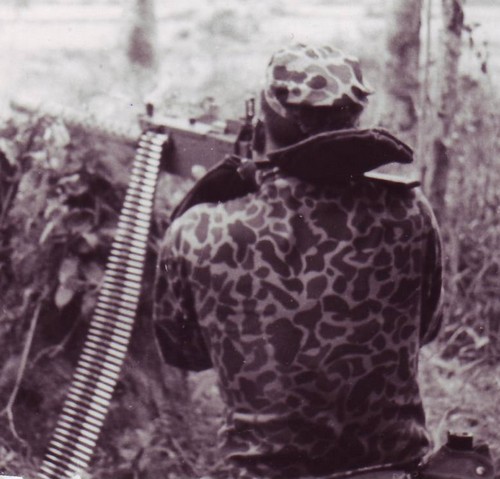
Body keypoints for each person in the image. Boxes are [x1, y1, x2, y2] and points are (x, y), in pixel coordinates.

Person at [153, 43, 443, 479]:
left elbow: (185, 352)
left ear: (263, 122)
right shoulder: (410, 212)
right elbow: (426, 327)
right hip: (394, 468)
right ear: (355, 118)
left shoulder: (198, 232)